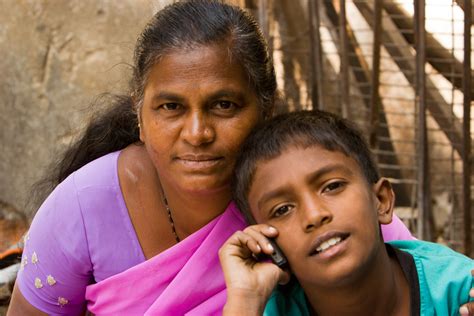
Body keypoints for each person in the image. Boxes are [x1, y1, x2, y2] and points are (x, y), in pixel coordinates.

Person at [3, 1, 447, 315]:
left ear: (265, 107)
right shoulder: (81, 207)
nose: (197, 134)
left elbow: (426, 283)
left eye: (224, 105)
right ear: (140, 114)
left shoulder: (312, 197)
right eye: (171, 107)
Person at [219, 109, 474, 315]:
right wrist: (244, 300)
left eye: (332, 186)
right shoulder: (266, 309)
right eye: (282, 209)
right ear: (266, 243)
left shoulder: (459, 292)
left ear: (381, 201)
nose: (314, 215)